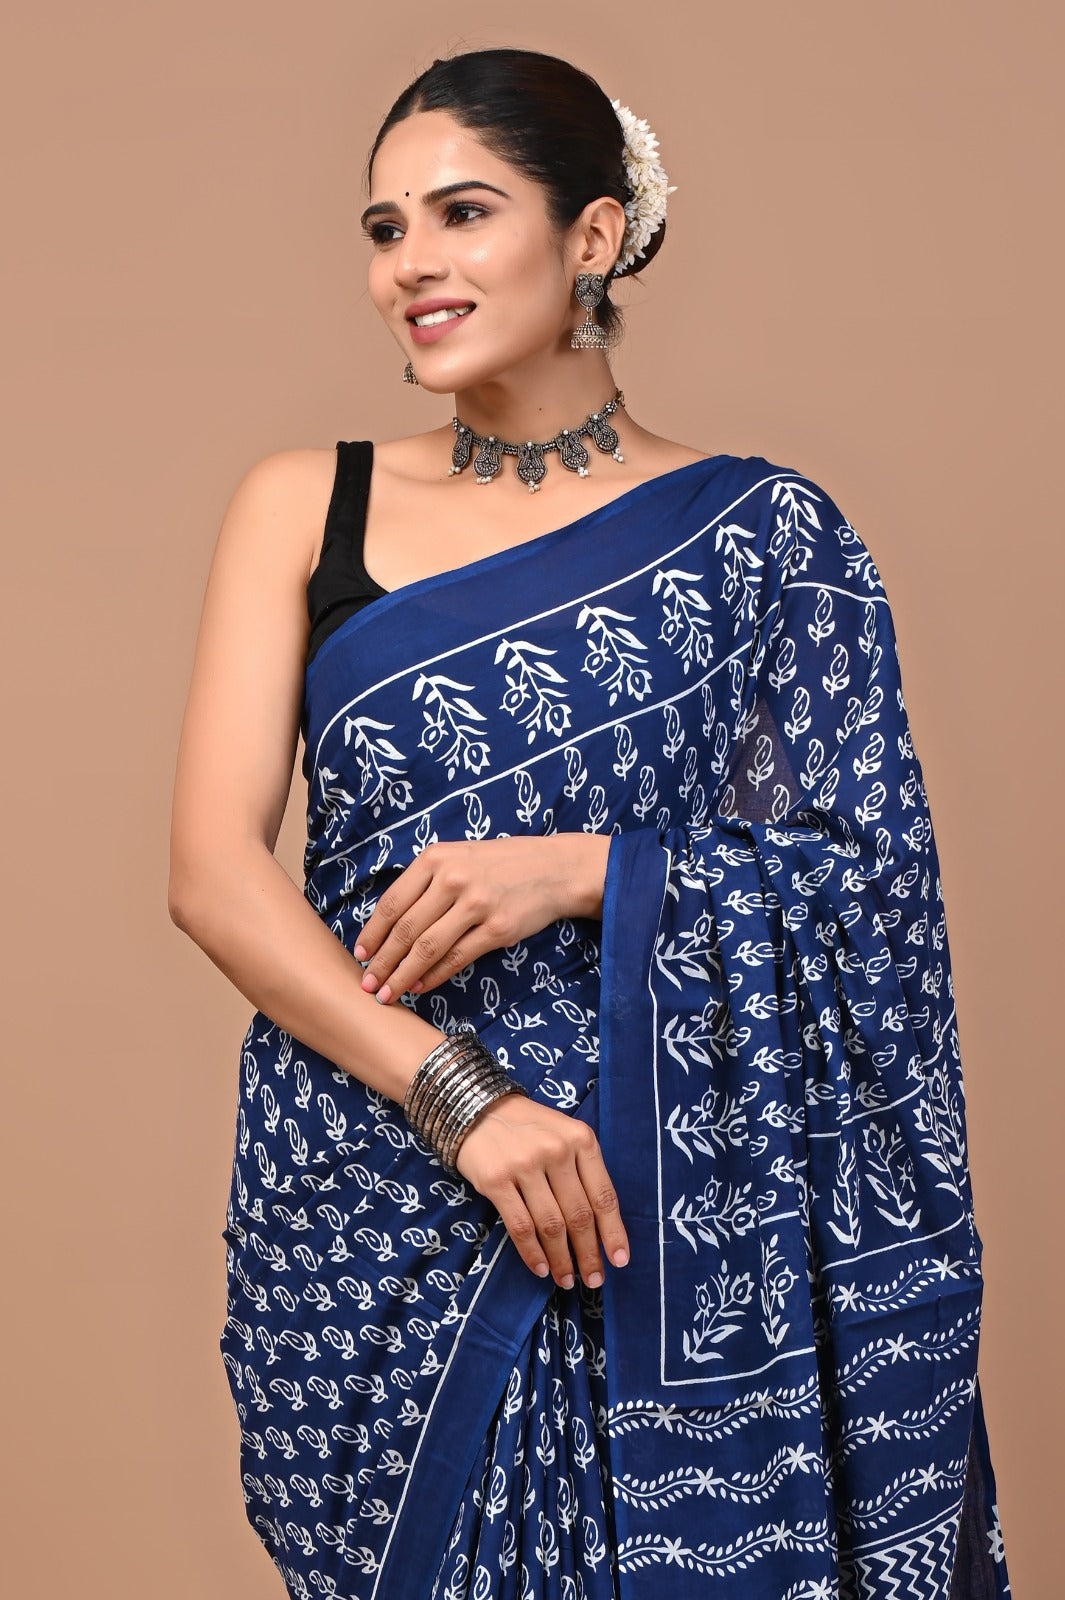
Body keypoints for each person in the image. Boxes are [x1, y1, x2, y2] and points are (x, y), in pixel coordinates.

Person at [169, 46, 1010, 1600]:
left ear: (594, 235)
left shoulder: (763, 536)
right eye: (383, 228)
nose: (409, 263)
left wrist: (584, 873)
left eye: (462, 213)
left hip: (669, 1210)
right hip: (377, 1199)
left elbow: (868, 887)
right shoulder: (304, 503)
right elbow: (215, 874)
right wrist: (465, 1102)